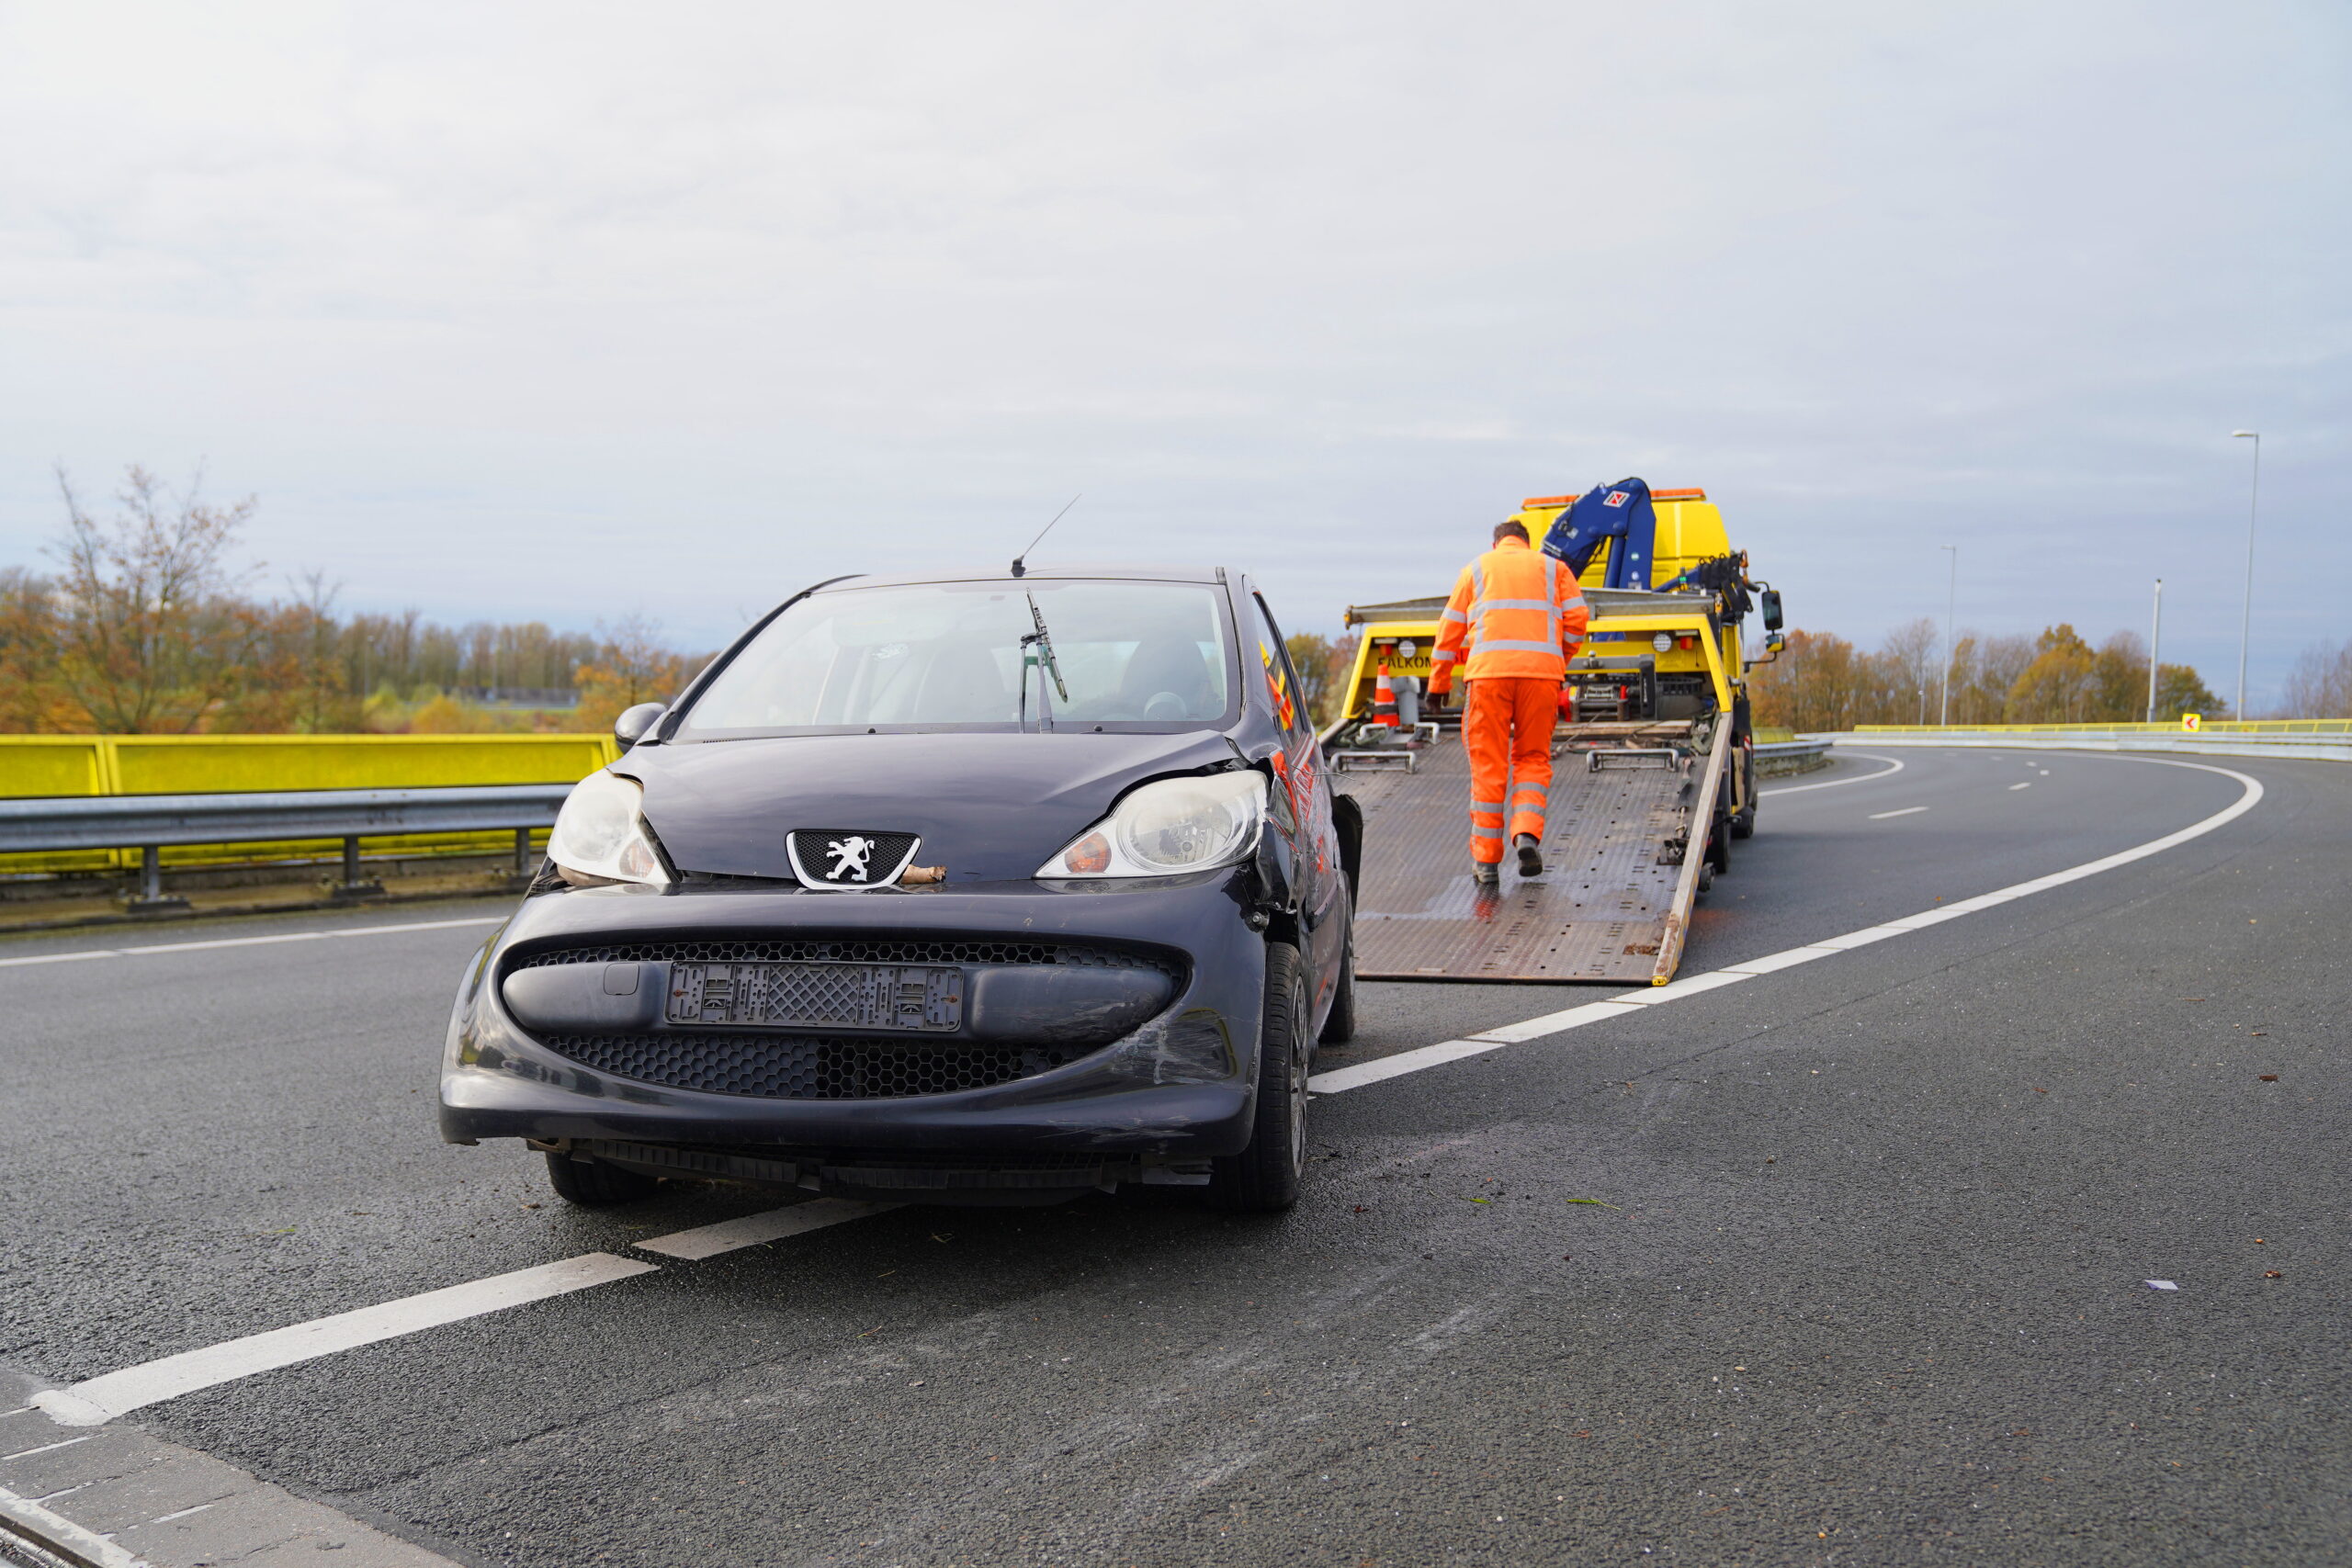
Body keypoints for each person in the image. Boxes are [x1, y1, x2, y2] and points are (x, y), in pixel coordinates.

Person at [1426, 520, 1590, 883]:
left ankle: (1486, 863)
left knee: (1489, 766)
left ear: (1496, 543)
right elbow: (1579, 620)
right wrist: (1556, 659)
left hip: (1488, 678)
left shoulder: (1477, 569)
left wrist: (1438, 684)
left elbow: (1449, 629)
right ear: (1527, 543)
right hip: (1541, 679)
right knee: (1532, 758)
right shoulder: (1554, 569)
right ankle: (1526, 834)